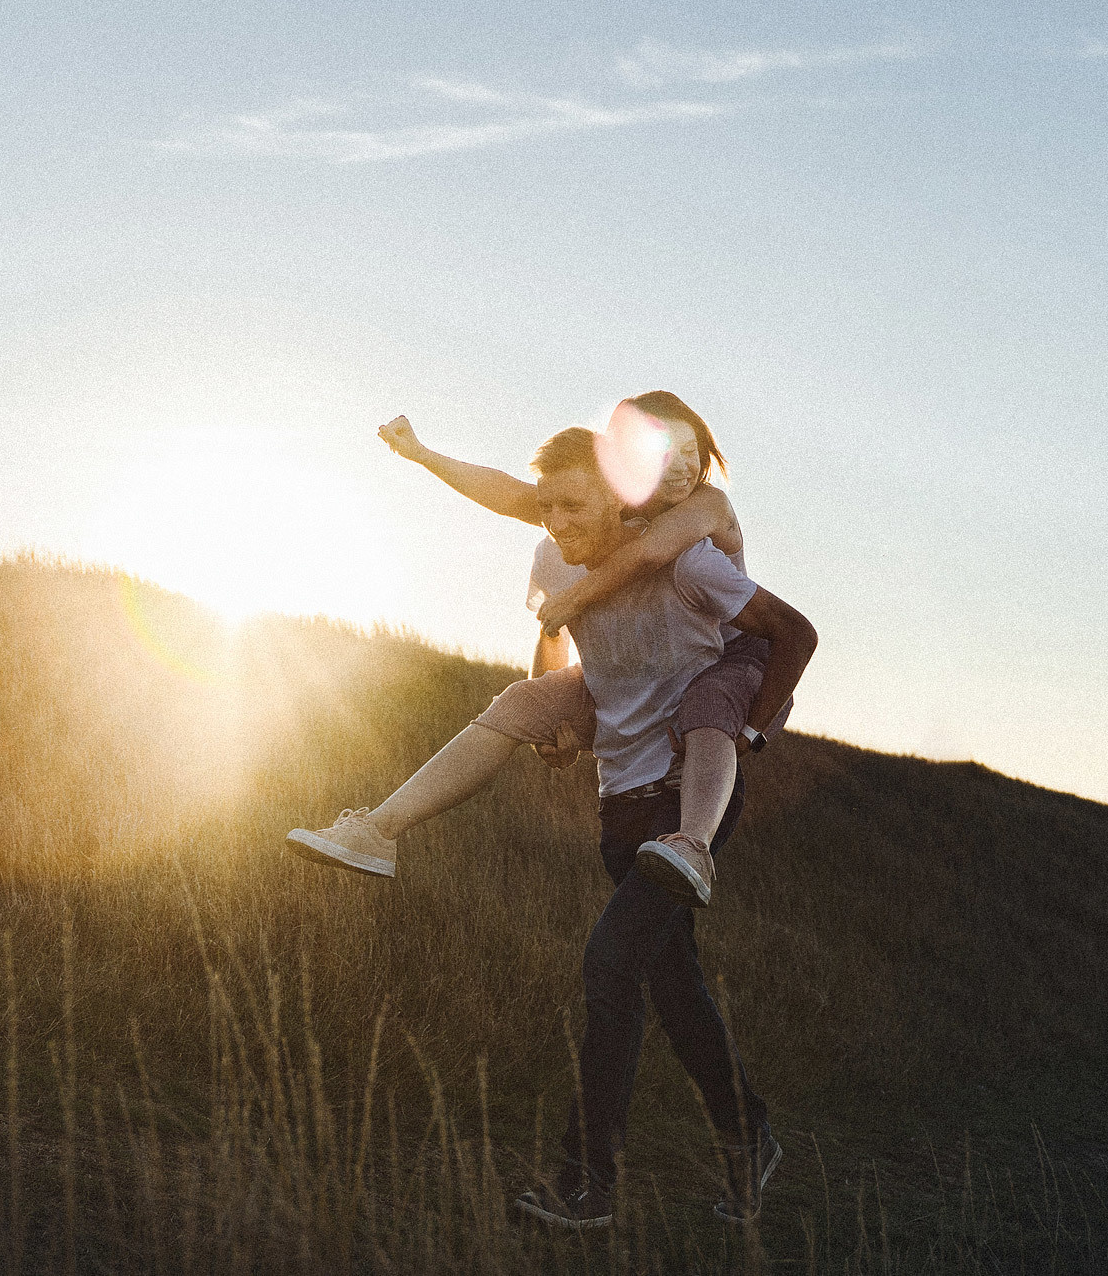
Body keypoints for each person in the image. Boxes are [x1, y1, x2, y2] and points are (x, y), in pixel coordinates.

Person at [287, 426, 816, 1227]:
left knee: (610, 965)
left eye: (574, 507)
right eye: (548, 507)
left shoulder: (688, 561)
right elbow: (558, 651)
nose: (557, 522)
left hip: (686, 799)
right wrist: (559, 730)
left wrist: (752, 729)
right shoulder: (549, 559)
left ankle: (587, 1185)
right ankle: (377, 828)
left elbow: (793, 633)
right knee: (672, 989)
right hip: (621, 801)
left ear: (619, 500)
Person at [380, 392, 785, 908]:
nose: (681, 466)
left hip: (734, 661)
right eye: (661, 452)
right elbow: (509, 494)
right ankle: (378, 828)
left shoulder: (705, 504)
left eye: (690, 449)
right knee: (525, 701)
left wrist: (574, 598)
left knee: (706, 700)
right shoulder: (610, 502)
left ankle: (694, 843)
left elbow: (649, 553)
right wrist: (422, 453)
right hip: (659, 680)